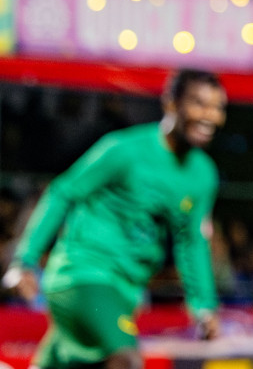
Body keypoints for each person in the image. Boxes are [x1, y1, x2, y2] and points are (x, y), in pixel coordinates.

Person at [4, 68, 227, 368]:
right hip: (83, 276)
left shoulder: (203, 175)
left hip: (126, 292)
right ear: (171, 104)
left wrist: (204, 307)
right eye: (199, 103)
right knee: (127, 360)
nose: (209, 115)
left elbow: (192, 242)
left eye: (217, 107)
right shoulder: (124, 150)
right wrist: (24, 261)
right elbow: (62, 192)